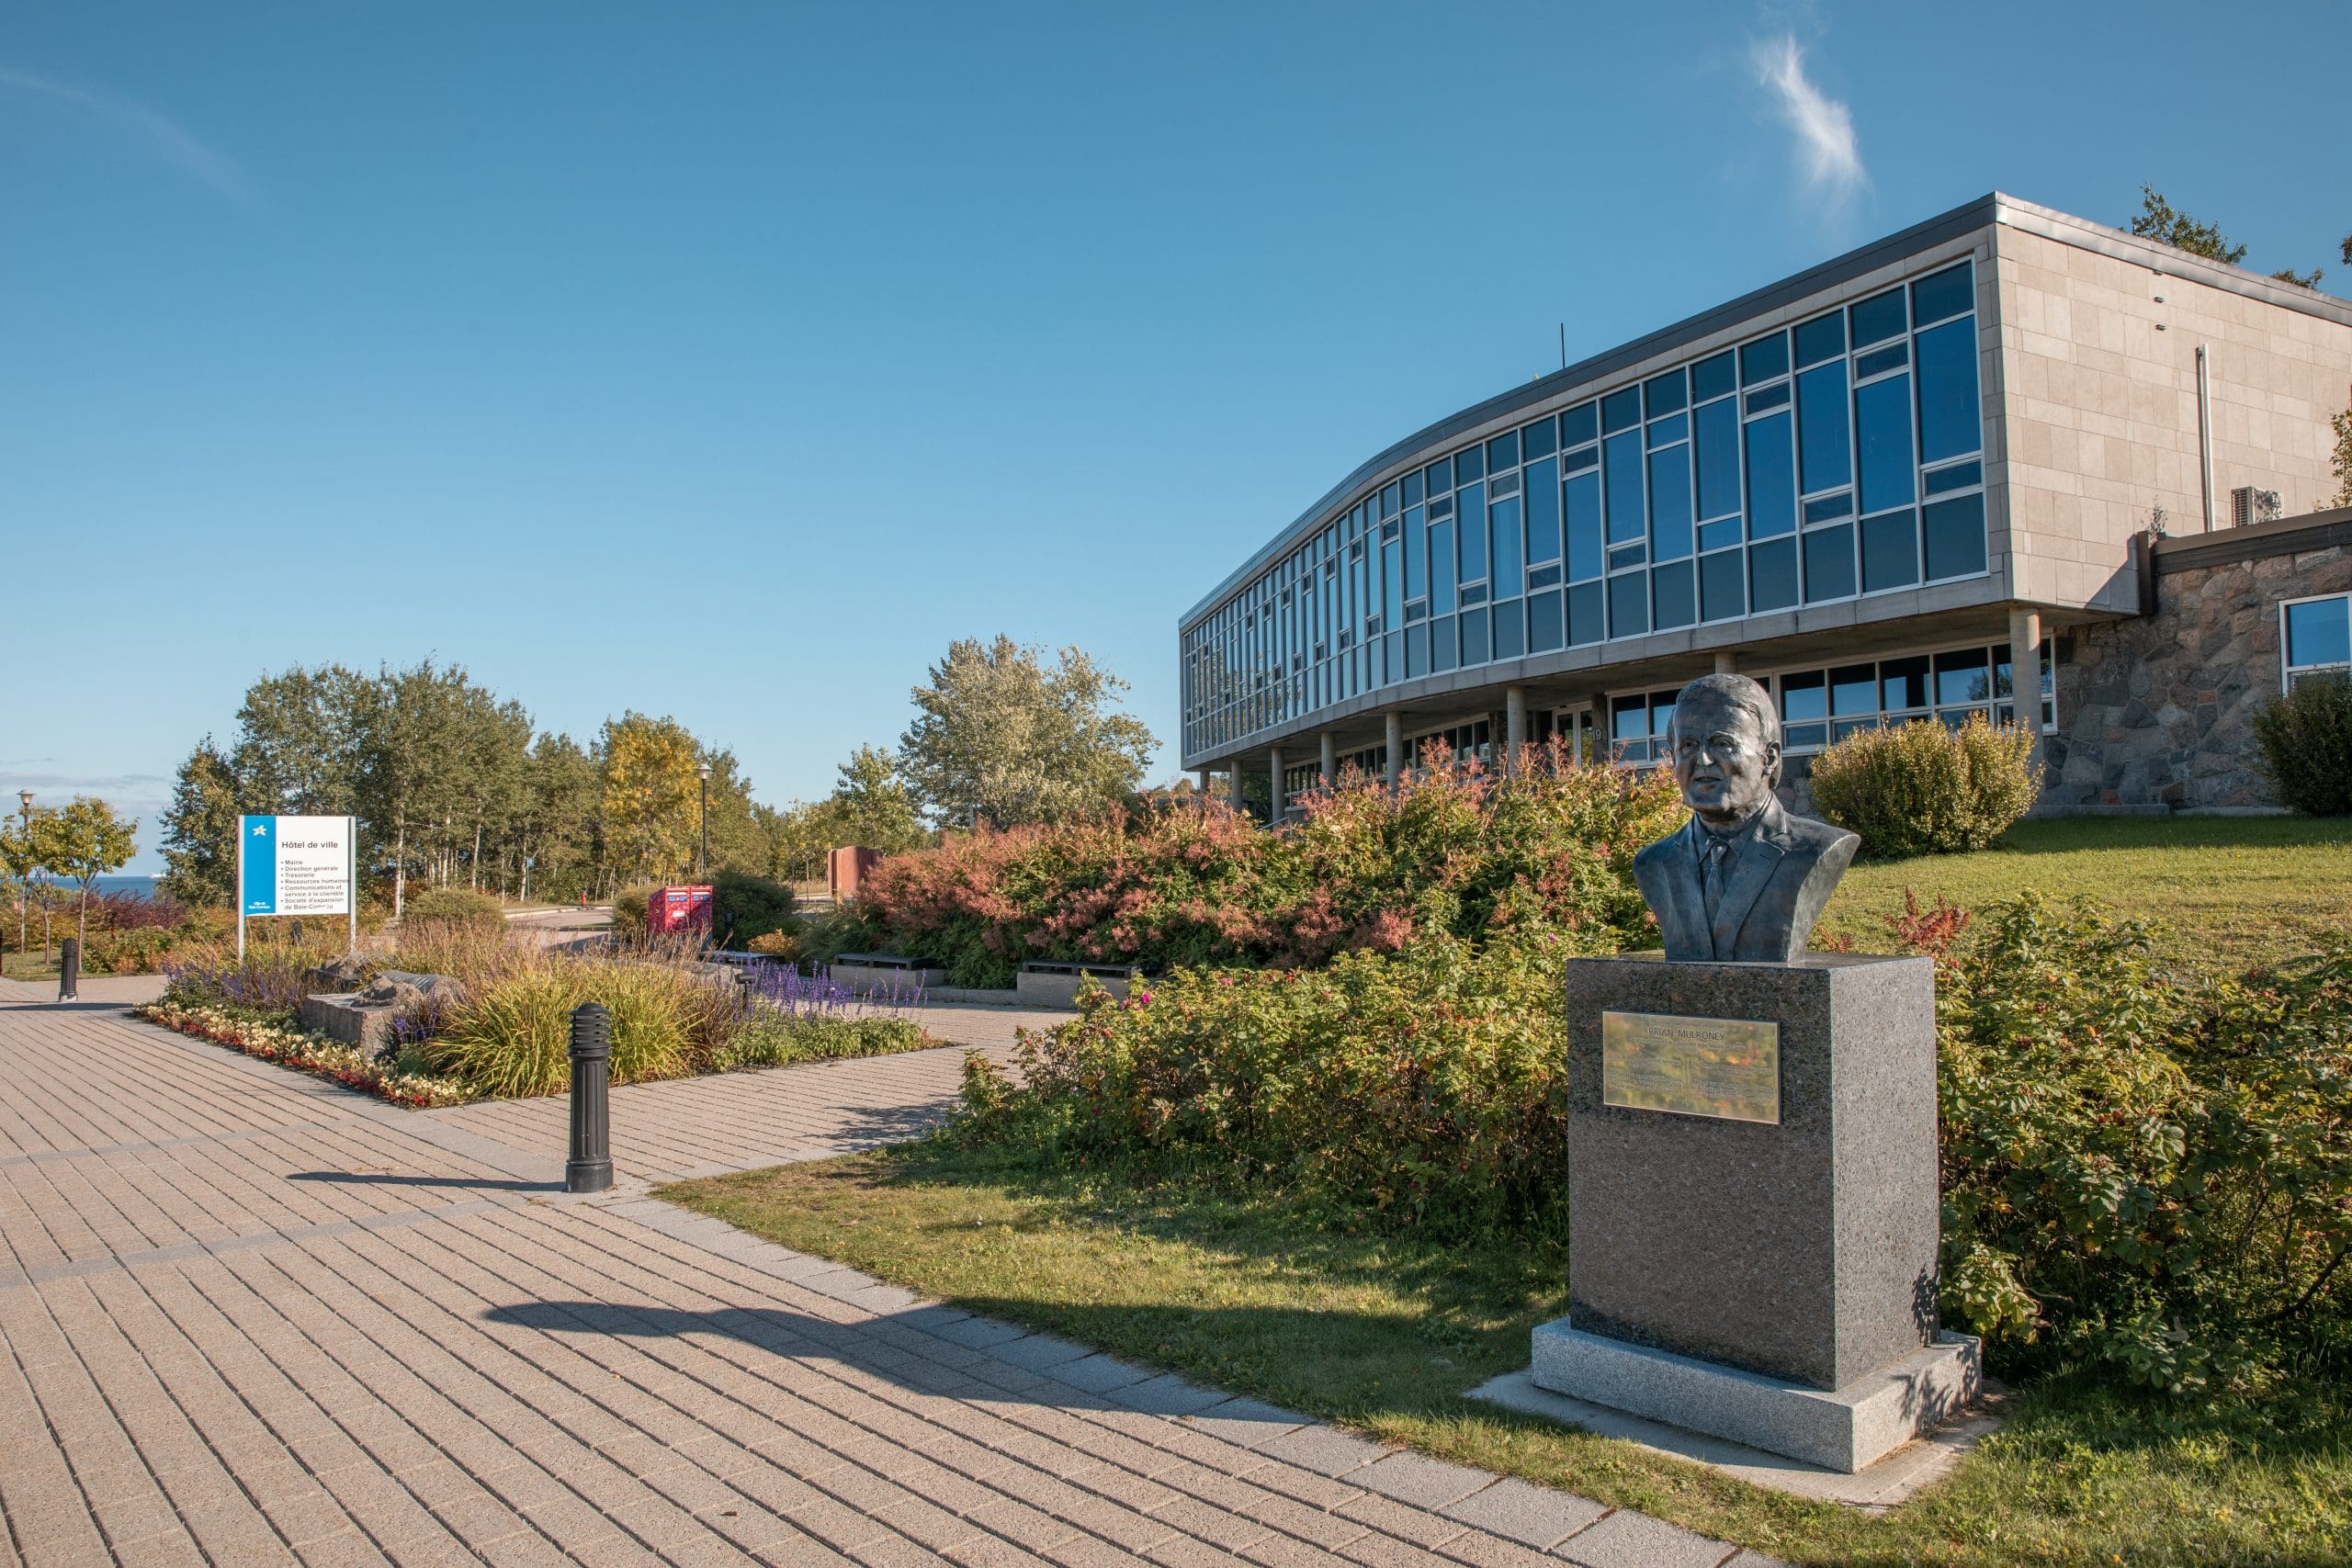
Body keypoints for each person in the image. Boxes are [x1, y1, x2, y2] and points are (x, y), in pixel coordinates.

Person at [1632, 673, 1859, 963]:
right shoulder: (1654, 862)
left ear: (1770, 758)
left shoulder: (1815, 848)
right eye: (1688, 745)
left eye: (1722, 744)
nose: (1702, 760)